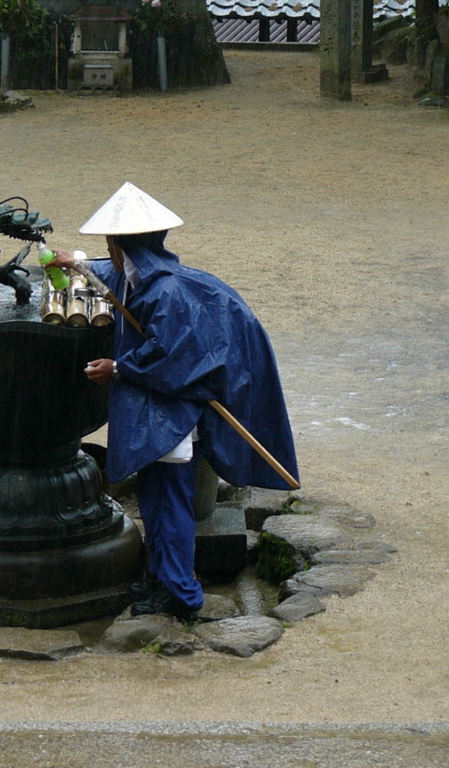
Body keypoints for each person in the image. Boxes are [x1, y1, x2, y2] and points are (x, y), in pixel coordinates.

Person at [49, 182, 299, 620]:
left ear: (120, 241)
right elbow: (114, 278)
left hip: (171, 420)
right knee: (160, 505)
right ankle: (166, 578)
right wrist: (78, 265)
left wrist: (119, 368)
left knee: (168, 508)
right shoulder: (145, 278)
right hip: (166, 416)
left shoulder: (167, 292)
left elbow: (175, 356)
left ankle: (180, 594)